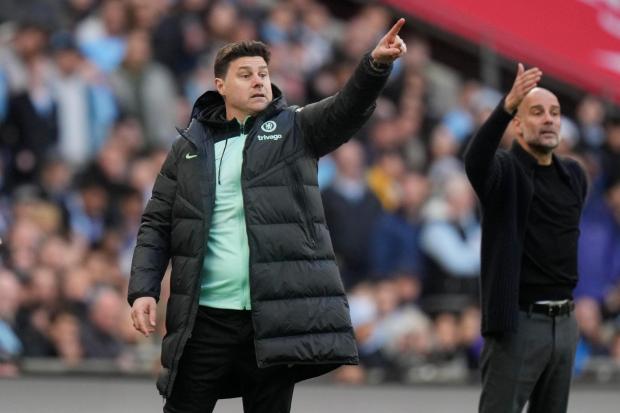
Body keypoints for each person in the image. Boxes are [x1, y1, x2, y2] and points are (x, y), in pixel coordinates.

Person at [128, 19, 407, 413]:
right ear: (220, 85)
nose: (258, 81)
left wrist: (374, 66)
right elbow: (156, 224)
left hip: (271, 321)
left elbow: (347, 108)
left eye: (263, 73)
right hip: (205, 319)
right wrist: (143, 289)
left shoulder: (294, 129)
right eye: (245, 75)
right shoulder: (187, 149)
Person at [464, 64, 588, 412]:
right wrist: (505, 106)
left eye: (555, 113)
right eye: (536, 112)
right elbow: (475, 161)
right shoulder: (504, 171)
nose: (548, 119)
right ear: (517, 124)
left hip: (565, 325)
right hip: (518, 325)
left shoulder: (574, 176)